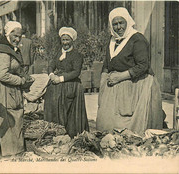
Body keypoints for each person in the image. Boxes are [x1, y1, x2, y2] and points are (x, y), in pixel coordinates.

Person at [96, 7, 164, 135]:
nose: (118, 27)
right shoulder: (112, 41)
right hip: (115, 87)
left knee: (131, 127)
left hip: (136, 86)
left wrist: (120, 77)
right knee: (108, 124)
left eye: (121, 22)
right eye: (115, 24)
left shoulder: (137, 39)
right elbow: (107, 63)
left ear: (127, 21)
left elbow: (143, 65)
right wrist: (103, 82)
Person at [0, 21, 29, 157]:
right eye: (14, 36)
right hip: (3, 91)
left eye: (20, 36)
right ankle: (9, 154)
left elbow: (14, 69)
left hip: (11, 90)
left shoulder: (12, 49)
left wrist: (24, 76)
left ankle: (13, 152)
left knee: (15, 121)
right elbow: (3, 75)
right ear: (7, 34)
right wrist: (21, 80)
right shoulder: (2, 50)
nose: (17, 39)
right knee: (9, 122)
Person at [44, 27, 89, 138]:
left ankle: (72, 135)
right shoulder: (58, 53)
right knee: (53, 107)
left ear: (72, 40)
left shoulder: (77, 55)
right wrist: (52, 75)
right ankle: (55, 133)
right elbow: (51, 66)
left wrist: (60, 79)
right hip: (57, 85)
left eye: (67, 40)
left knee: (70, 113)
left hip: (71, 86)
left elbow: (76, 72)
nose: (65, 43)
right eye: (63, 40)